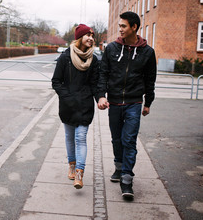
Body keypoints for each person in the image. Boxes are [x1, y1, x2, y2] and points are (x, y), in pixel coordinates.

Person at [97, 11, 157, 199]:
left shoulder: (147, 52)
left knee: (129, 140)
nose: (120, 29)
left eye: (123, 26)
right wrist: (101, 96)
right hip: (114, 102)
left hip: (134, 102)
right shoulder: (112, 48)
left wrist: (148, 103)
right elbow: (103, 74)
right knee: (116, 139)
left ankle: (127, 179)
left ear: (134, 27)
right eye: (120, 26)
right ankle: (119, 167)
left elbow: (150, 79)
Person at [52, 24, 103, 189]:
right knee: (69, 137)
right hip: (68, 105)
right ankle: (72, 165)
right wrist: (67, 97)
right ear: (80, 37)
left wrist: (100, 98)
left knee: (80, 137)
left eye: (92, 36)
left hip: (85, 105)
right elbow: (56, 82)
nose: (91, 38)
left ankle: (79, 173)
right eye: (87, 35)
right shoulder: (65, 58)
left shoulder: (93, 60)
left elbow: (96, 84)